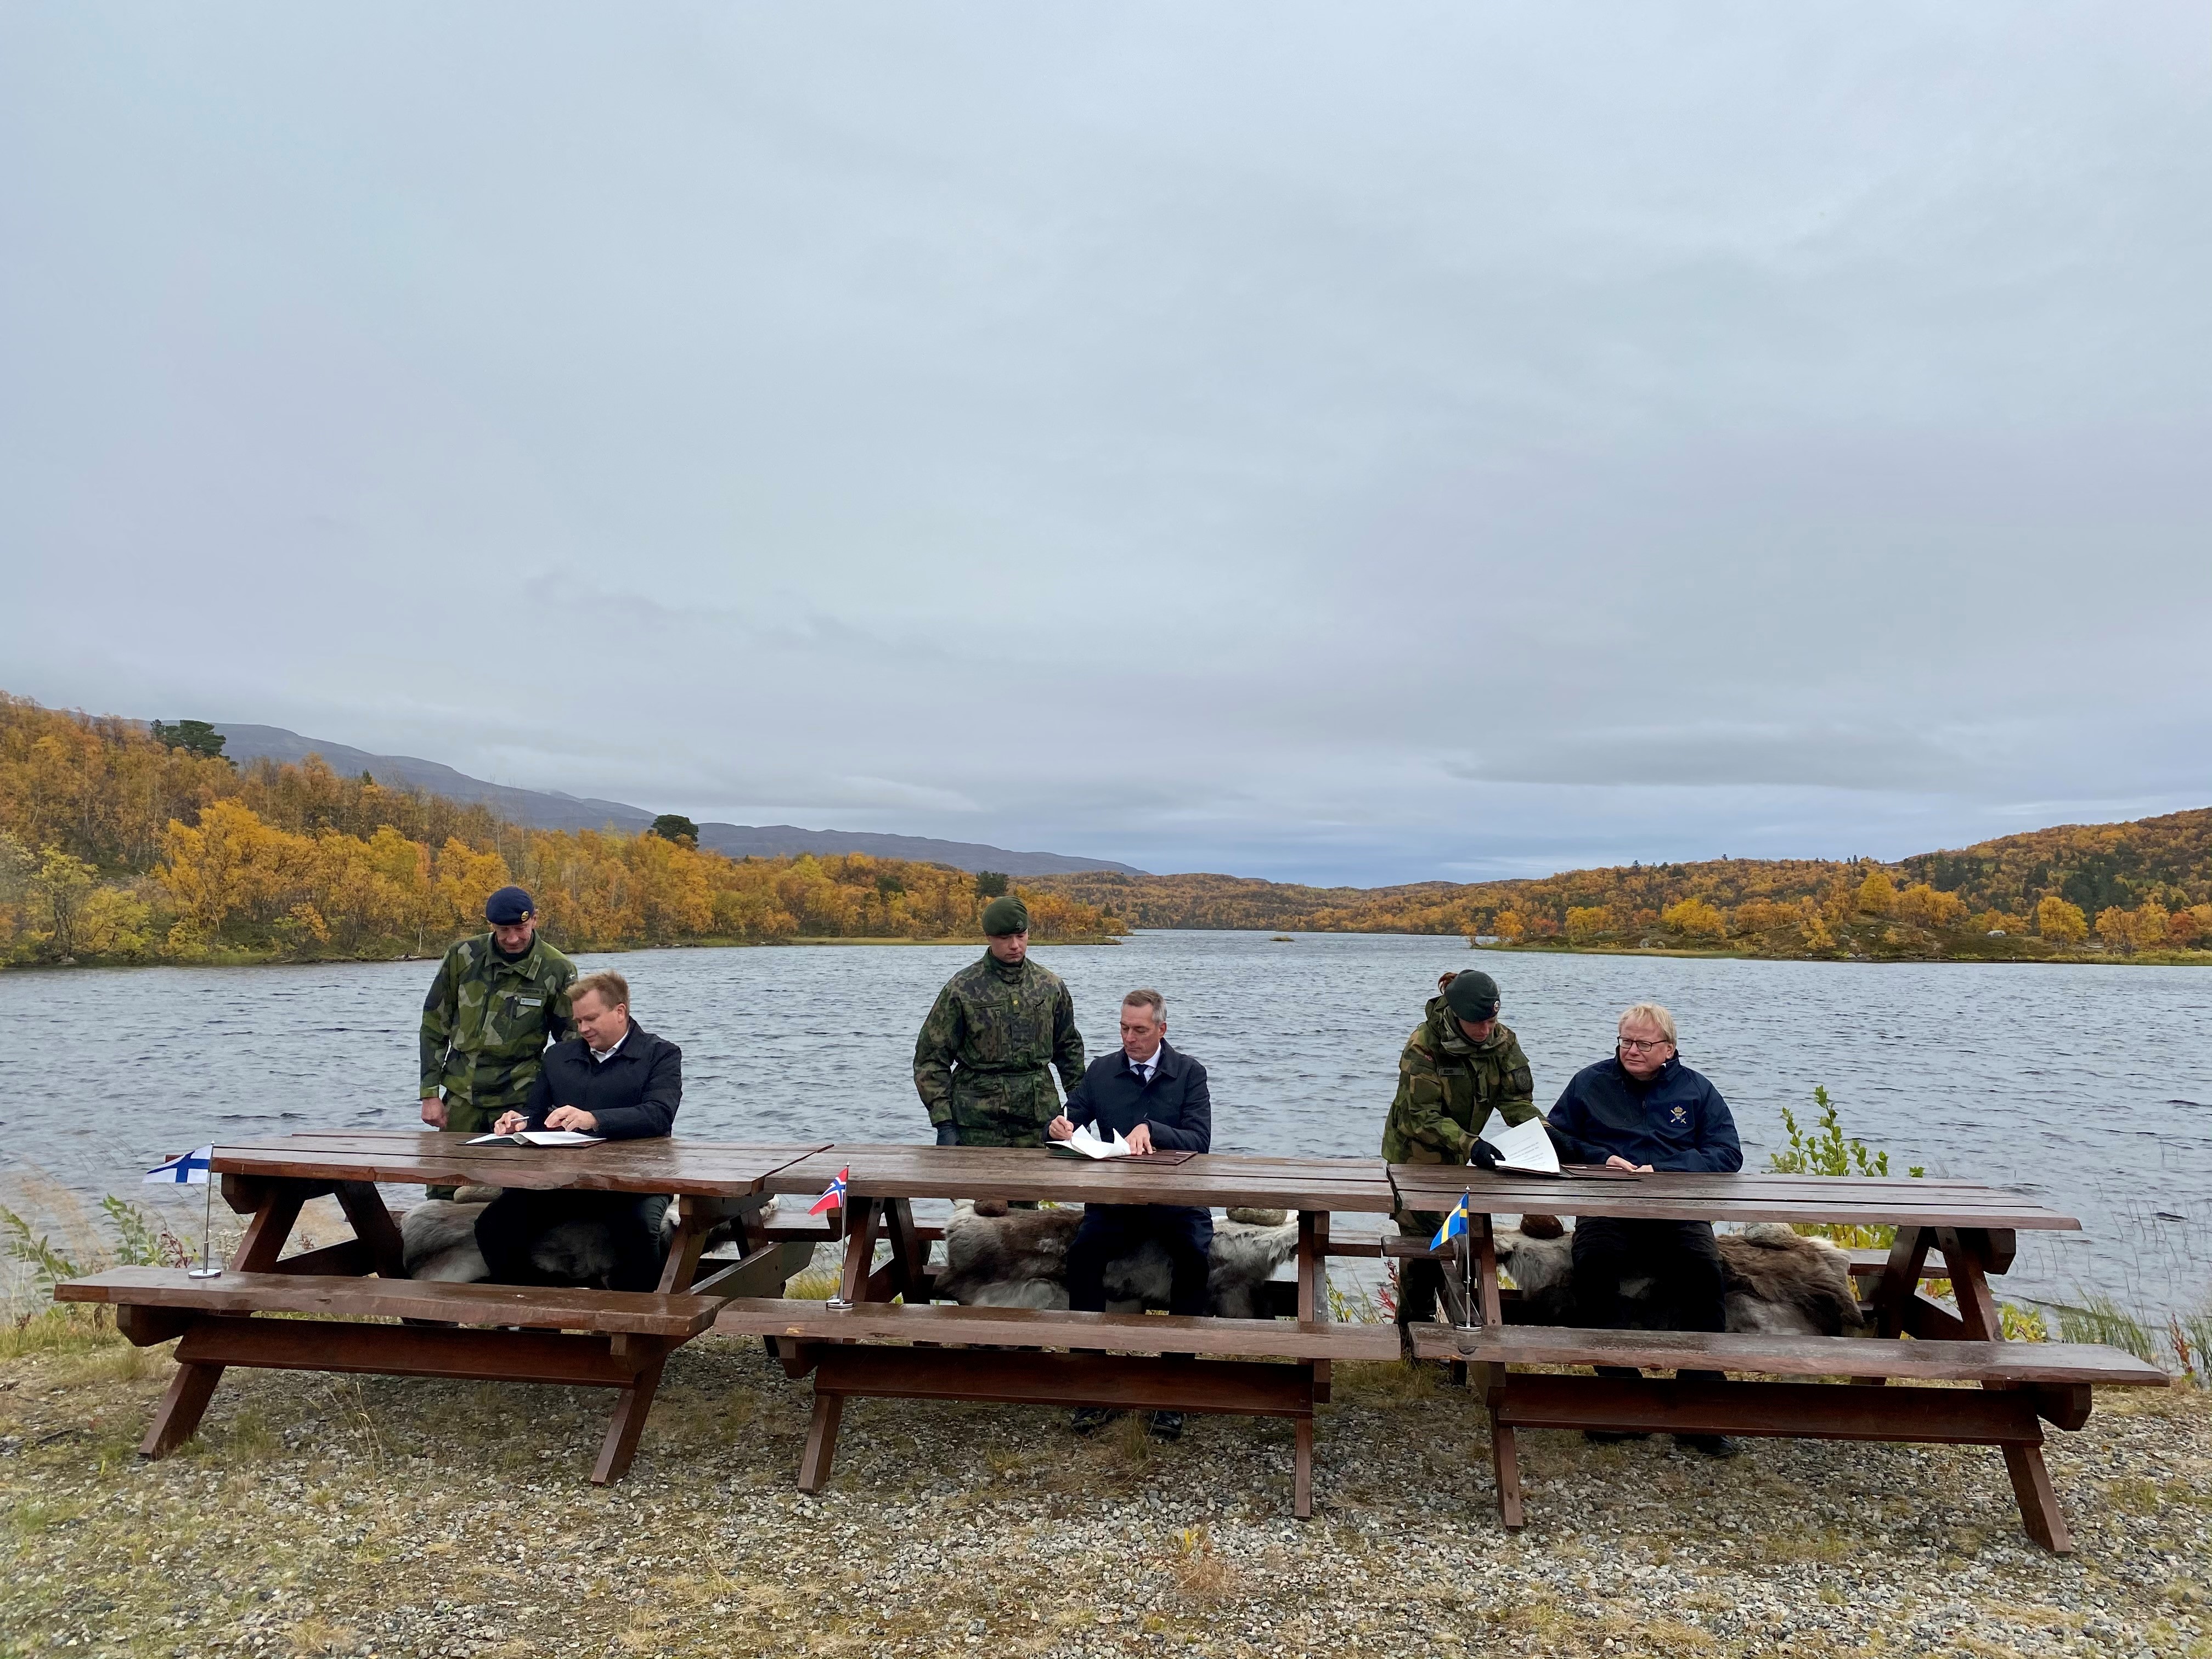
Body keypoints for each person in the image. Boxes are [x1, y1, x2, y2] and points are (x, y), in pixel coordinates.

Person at [1546, 1001, 1743, 1458]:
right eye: (1625, 1041)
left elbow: (1727, 1154)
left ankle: (1697, 1411)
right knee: (1593, 1266)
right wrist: (1599, 1159)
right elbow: (1552, 1137)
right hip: (1607, 1205)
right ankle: (1622, 1400)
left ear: (1669, 1050)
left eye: (1643, 1043)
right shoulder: (1589, 1082)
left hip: (1676, 1208)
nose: (1632, 1050)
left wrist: (1667, 1168)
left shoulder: (1697, 1091)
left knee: (1704, 1273)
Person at [1048, 989, 1212, 1441]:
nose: (1130, 1038)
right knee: (1082, 1257)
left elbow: (1200, 1139)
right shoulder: (1102, 1070)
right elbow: (1070, 1117)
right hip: (1116, 1201)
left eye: (1140, 1030)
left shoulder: (1189, 1073)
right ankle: (1093, 1384)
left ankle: (1172, 1390)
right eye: (1123, 1028)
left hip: (1176, 1201)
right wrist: (1057, 1124)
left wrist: (1154, 1131)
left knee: (1195, 1260)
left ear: (1162, 1029)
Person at [473, 970, 682, 1294]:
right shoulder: (558, 1057)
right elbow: (537, 1113)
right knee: (493, 1226)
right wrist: (518, 1122)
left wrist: (593, 1119)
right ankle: (542, 1310)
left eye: (591, 1019)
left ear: (620, 1012)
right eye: (578, 1021)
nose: (583, 1029)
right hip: (562, 1182)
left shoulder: (661, 1054)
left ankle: (637, 1327)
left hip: (636, 1182)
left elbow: (659, 1115)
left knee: (639, 1229)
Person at [1379, 969, 1537, 1325]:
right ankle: (1412, 1342)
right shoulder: (1424, 1046)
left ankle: (1464, 1341)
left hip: (1460, 1162)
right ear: (1454, 1013)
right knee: (1426, 1252)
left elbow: (1517, 1102)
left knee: (1462, 1246)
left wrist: (1545, 1134)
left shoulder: (1503, 1042)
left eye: (1491, 1020)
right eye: (1476, 1023)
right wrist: (1472, 1145)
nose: (1485, 1031)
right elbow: (1420, 1116)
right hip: (1414, 1160)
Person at [418, 885, 577, 1198]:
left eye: (520, 928)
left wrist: (560, 1104)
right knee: (444, 1188)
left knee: (515, 1190)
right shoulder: (462, 956)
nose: (513, 938)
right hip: (462, 1097)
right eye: (504, 930)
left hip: (518, 1099)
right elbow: (434, 1024)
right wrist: (429, 1094)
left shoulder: (557, 969)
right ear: (491, 925)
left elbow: (569, 1044)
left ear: (535, 920)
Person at [913, 894, 1085, 1148]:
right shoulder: (962, 989)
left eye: (1021, 936)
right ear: (989, 937)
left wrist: (1080, 1109)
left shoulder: (1050, 986)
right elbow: (930, 1059)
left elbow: (1069, 1049)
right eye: (1005, 938)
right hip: (976, 1125)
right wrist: (944, 1122)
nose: (1015, 945)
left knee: (1044, 1187)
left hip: (1040, 1123)